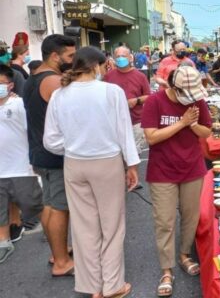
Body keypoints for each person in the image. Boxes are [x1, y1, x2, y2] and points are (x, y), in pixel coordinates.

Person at [44, 46, 139, 298]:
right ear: (98, 65)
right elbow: (124, 132)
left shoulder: (60, 94)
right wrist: (131, 164)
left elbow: (50, 140)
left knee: (84, 228)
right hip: (106, 162)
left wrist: (74, 145)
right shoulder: (111, 92)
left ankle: (92, 286)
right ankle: (112, 284)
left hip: (74, 163)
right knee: (112, 226)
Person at [141, 66, 212, 297]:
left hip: (192, 167)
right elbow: (151, 137)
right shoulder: (155, 102)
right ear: (172, 86)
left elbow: (205, 133)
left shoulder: (197, 101)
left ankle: (184, 254)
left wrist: (192, 124)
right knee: (165, 220)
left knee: (191, 216)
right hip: (162, 170)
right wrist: (182, 123)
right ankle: (166, 269)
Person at [22, 34, 76, 276]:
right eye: (70, 56)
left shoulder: (32, 78)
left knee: (50, 205)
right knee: (59, 208)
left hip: (38, 151)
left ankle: (59, 250)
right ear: (55, 56)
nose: (73, 61)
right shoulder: (54, 81)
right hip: (54, 155)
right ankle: (62, 262)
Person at [0, 65, 43, 264]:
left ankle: (55, 233)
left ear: (10, 85)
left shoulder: (19, 105)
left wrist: (34, 160)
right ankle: (3, 242)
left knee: (35, 205)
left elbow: (32, 133)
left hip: (20, 167)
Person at [104, 46, 151, 156]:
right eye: (118, 56)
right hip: (115, 121)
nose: (120, 59)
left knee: (134, 154)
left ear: (130, 58)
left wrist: (137, 100)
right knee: (118, 154)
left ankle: (132, 171)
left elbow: (148, 96)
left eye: (123, 56)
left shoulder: (140, 76)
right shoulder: (108, 76)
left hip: (135, 121)